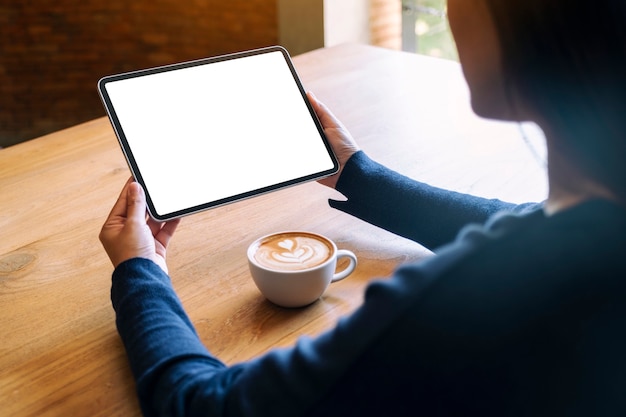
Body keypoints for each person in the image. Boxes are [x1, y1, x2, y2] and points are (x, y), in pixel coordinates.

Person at [99, 0, 626, 415]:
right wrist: (359, 175)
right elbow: (532, 226)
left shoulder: (461, 301)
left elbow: (206, 405)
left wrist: (139, 271)